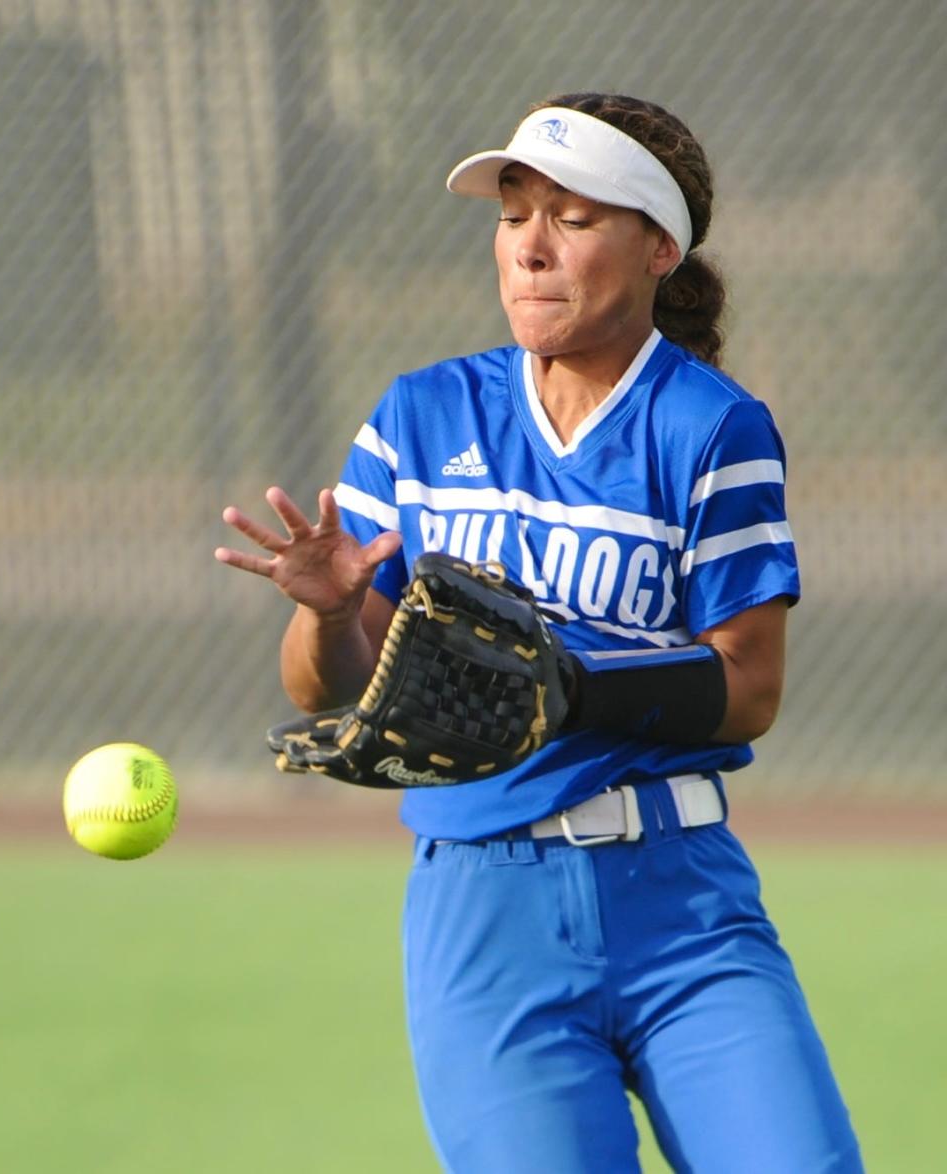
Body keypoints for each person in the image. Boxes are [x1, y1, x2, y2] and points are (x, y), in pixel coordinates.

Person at [215, 92, 863, 1173]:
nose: (531, 245)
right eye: (515, 213)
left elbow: (750, 687)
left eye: (572, 216)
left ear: (658, 246)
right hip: (483, 902)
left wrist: (572, 684)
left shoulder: (710, 426)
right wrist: (326, 613)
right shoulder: (423, 418)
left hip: (683, 901)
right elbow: (324, 691)